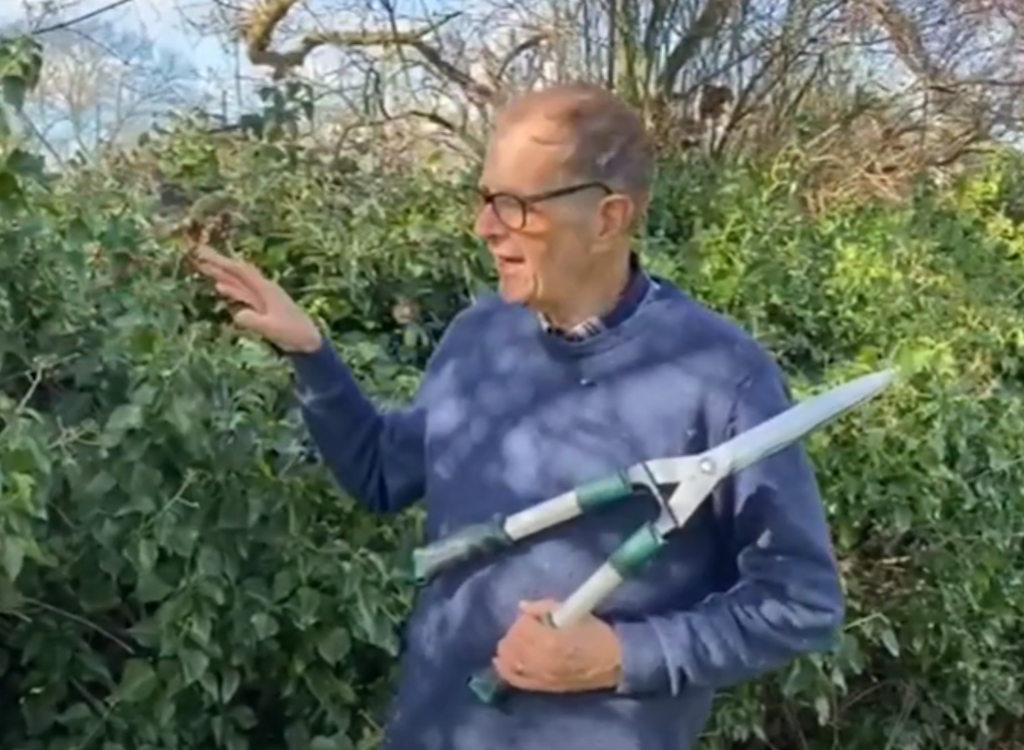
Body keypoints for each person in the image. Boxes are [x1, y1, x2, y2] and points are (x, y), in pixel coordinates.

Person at [192, 82, 845, 750]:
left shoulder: (722, 377)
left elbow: (800, 603)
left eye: (516, 205)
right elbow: (382, 475)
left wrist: (626, 654)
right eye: (483, 198)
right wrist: (313, 359)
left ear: (608, 218)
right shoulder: (481, 335)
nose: (485, 227)